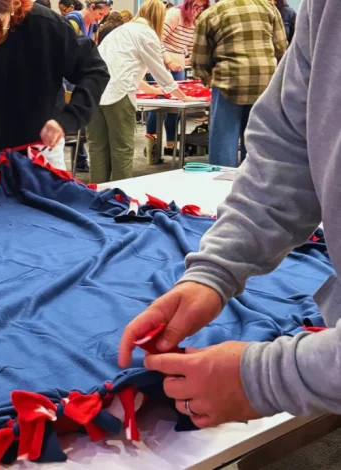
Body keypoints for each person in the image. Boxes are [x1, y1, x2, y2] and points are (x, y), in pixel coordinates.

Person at [118, 0, 341, 429]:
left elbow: (202, 62)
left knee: (222, 145)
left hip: (227, 84)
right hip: (259, 83)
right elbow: (288, 144)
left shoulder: (216, 15)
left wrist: (268, 379)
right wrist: (215, 270)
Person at [0, 0, 110, 177]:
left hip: (42, 150)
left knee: (47, 203)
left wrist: (69, 119)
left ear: (13, 7)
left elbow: (94, 72)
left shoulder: (46, 26)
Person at [87, 0, 191, 183]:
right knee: (122, 149)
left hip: (94, 91)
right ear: (159, 16)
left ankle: (97, 195)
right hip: (118, 95)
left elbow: (123, 68)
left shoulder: (122, 30)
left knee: (98, 148)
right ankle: (120, 196)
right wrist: (181, 95)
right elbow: (159, 70)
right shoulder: (146, 34)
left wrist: (152, 89)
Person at [192, 0, 286, 167]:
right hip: (265, 83)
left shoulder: (211, 14)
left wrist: (207, 79)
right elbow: (281, 47)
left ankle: (220, 186)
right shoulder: (268, 8)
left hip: (229, 82)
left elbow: (200, 60)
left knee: (224, 139)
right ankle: (252, 186)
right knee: (256, 140)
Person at [145, 0, 208, 156]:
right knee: (158, 105)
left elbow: (194, 47)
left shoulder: (197, 21)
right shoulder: (174, 15)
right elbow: (157, 39)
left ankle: (170, 145)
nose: (199, 10)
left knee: (176, 107)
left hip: (178, 63)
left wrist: (197, 63)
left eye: (202, 8)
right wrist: (168, 60)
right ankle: (152, 145)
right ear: (188, 5)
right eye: (196, 7)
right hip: (160, 60)